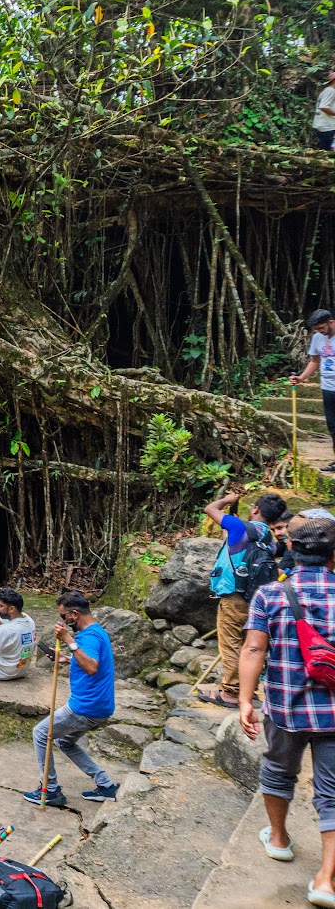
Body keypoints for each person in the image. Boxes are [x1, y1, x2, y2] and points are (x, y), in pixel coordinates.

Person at [239, 515, 335, 901]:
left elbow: (253, 649)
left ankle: (278, 839)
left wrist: (246, 700)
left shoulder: (270, 595)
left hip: (284, 707)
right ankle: (327, 878)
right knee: (333, 792)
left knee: (278, 771)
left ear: (291, 548)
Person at [23, 590, 119, 807]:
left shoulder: (89, 637)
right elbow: (89, 660)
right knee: (64, 741)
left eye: (63, 616)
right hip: (99, 705)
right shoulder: (97, 631)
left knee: (40, 733)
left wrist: (67, 639)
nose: (63, 620)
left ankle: (52, 789)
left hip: (86, 707)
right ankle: (105, 785)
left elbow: (92, 667)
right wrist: (67, 658)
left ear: (74, 614)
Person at [202, 490, 291, 707]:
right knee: (249, 645)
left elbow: (210, 509)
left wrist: (227, 500)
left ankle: (231, 692)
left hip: (234, 597)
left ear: (256, 509)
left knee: (231, 643)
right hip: (257, 599)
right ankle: (248, 690)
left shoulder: (239, 527)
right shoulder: (268, 538)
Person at [291, 309, 335, 474]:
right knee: (333, 427)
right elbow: (315, 361)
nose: (320, 332)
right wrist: (302, 378)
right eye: (317, 329)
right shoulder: (318, 338)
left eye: (322, 328)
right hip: (328, 387)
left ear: (330, 322)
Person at [315, 71, 335, 152]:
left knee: (326, 151)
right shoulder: (331, 91)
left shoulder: (326, 91)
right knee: (330, 152)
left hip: (322, 125)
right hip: (327, 127)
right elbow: (323, 106)